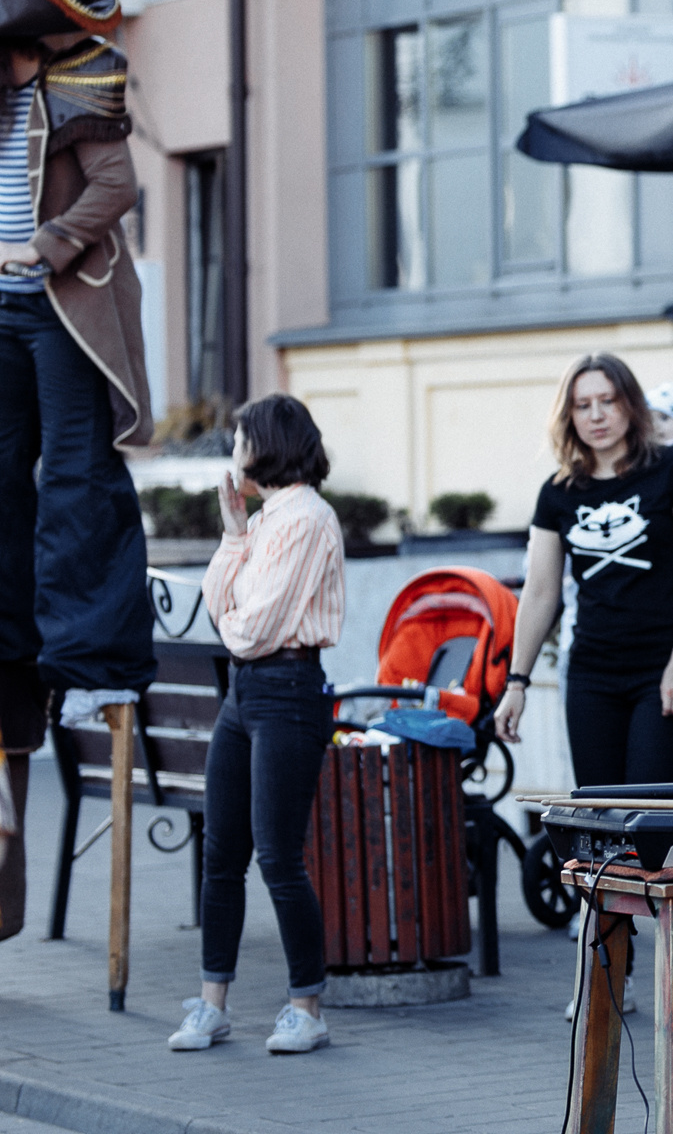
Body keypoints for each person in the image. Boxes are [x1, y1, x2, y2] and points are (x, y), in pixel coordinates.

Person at [0, 4, 152, 945]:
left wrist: (45, 244)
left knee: (73, 478)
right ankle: (19, 629)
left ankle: (84, 657)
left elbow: (120, 184)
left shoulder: (76, 84)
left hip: (57, 303)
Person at [170, 395, 345, 1055]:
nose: (234, 448)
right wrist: (233, 532)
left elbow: (250, 627)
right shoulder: (268, 519)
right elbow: (221, 605)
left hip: (289, 688)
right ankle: (212, 1004)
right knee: (221, 853)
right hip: (249, 693)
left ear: (266, 442)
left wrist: (237, 617)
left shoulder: (306, 518)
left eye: (240, 437)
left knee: (276, 855)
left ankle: (307, 1006)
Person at [495, 353, 673, 788]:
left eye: (607, 401)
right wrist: (516, 682)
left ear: (630, 404)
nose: (596, 416)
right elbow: (539, 593)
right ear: (568, 414)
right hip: (592, 673)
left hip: (664, 667)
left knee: (648, 814)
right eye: (582, 405)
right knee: (601, 816)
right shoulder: (558, 493)